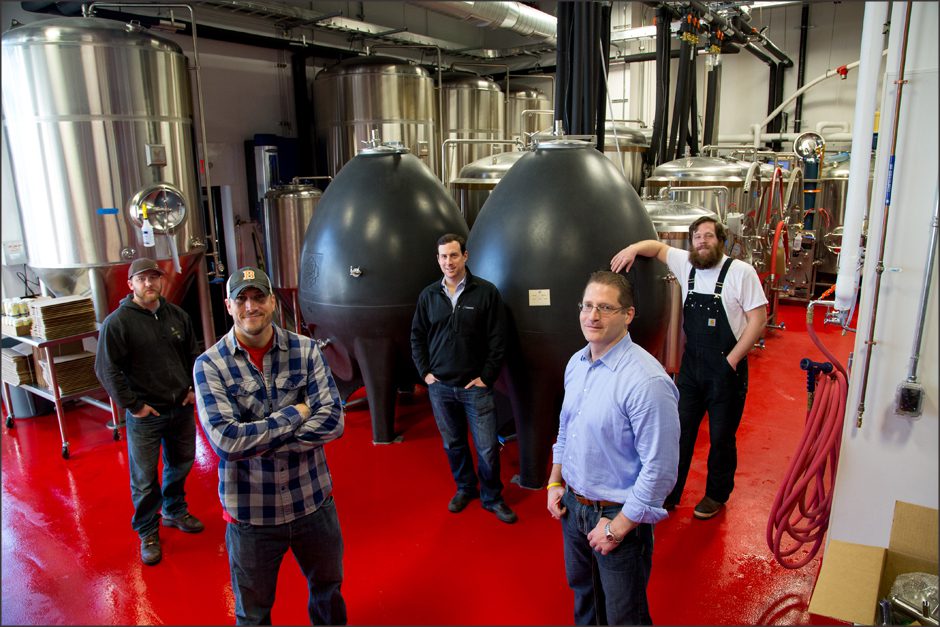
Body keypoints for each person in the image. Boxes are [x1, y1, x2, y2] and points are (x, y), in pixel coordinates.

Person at [194, 266, 347, 625]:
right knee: (253, 614)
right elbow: (228, 442)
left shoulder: (306, 351)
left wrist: (260, 441)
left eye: (259, 297)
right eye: (242, 299)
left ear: (273, 302)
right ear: (228, 306)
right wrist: (297, 412)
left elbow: (333, 420)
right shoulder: (210, 365)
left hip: (312, 503)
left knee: (328, 592)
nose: (251, 306)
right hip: (251, 516)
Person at [610, 216, 768, 519]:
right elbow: (657, 247)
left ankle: (716, 495)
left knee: (721, 437)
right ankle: (669, 493)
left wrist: (732, 360)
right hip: (692, 367)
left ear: (721, 241)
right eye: (697, 237)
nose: (702, 241)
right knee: (677, 432)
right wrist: (633, 249)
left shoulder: (741, 272)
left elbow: (758, 319)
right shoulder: (686, 264)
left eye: (708, 236)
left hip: (726, 370)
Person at [546, 271, 679, 625]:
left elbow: (660, 469)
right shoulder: (577, 363)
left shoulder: (647, 381)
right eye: (587, 306)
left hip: (617, 516)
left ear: (628, 315)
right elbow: (567, 426)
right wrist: (555, 481)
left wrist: (618, 527)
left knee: (624, 615)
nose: (593, 316)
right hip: (573, 507)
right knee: (584, 596)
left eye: (605, 308)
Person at [95, 257, 204, 567]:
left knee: (181, 463)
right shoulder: (118, 323)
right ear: (130, 284)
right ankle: (147, 531)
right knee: (144, 478)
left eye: (153, 278)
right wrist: (134, 405)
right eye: (141, 279)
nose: (148, 283)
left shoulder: (177, 316)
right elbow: (106, 369)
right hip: (147, 414)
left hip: (180, 407)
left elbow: (193, 355)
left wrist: (192, 389)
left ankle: (174, 510)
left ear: (160, 281)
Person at [410, 233, 516, 524]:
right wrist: (425, 373)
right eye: (443, 256)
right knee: (453, 444)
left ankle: (492, 497)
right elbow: (417, 337)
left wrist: (487, 377)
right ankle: (465, 488)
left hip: (475, 388)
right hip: (440, 387)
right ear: (438, 259)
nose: (449, 262)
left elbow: (498, 339)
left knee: (487, 448)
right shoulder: (429, 295)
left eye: (454, 255)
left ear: (465, 256)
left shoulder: (486, 293)